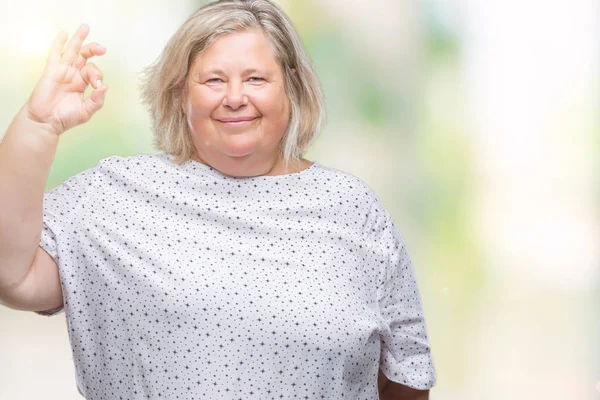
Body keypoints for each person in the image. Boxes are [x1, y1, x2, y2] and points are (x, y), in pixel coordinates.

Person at [0, 0, 436, 399]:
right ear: (180, 94)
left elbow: (407, 372)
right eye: (213, 80)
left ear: (291, 86)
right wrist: (39, 124)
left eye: (255, 78)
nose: (234, 97)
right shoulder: (114, 194)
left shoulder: (353, 208)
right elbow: (12, 276)